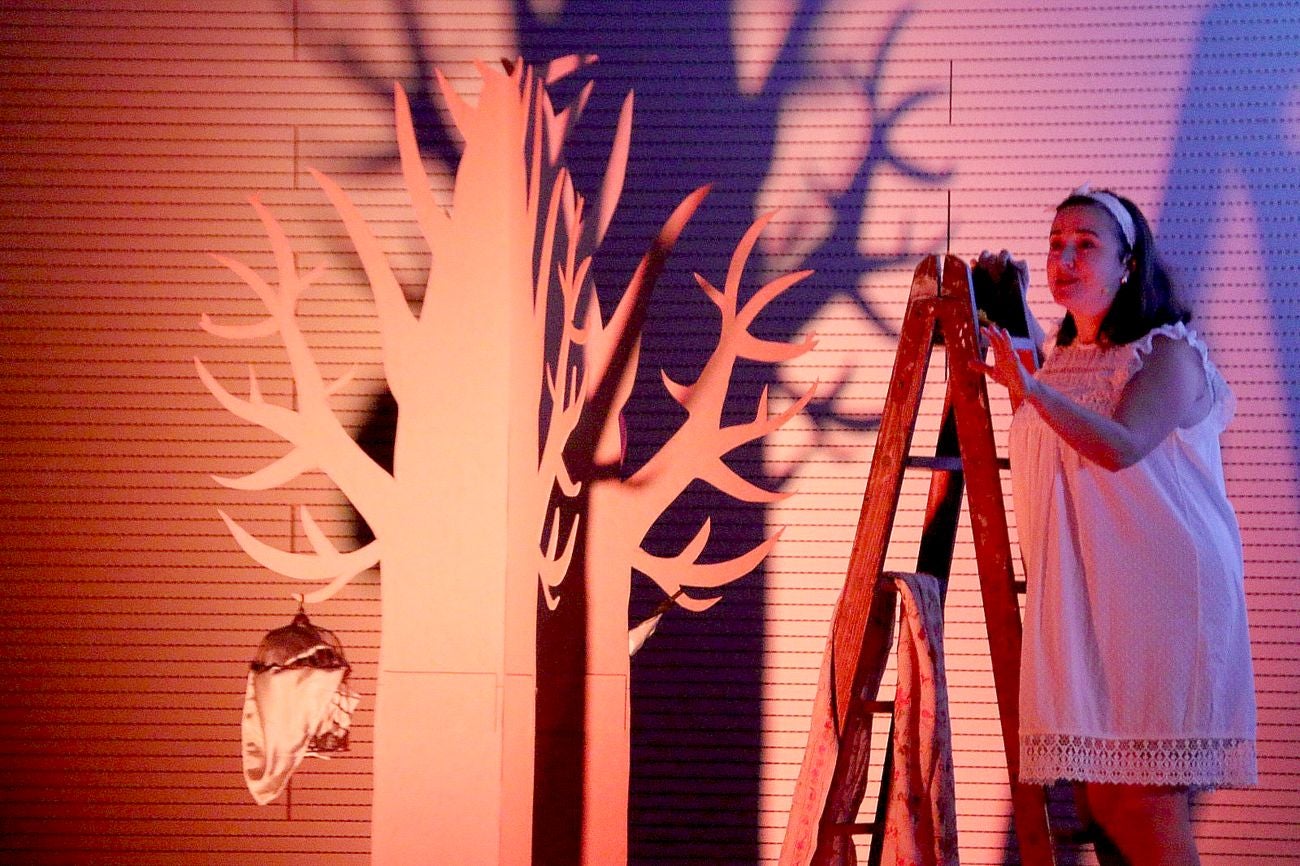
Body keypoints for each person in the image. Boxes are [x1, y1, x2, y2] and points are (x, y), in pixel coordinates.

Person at [972, 186, 1257, 866]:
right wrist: (1007, 307)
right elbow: (1056, 398)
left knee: (1143, 801)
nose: (1064, 257)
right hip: (1097, 594)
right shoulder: (1067, 360)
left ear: (1129, 266)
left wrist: (1031, 388)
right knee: (1102, 802)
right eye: (1056, 243)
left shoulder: (1168, 355)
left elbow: (1120, 444)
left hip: (1163, 596)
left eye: (1086, 244)